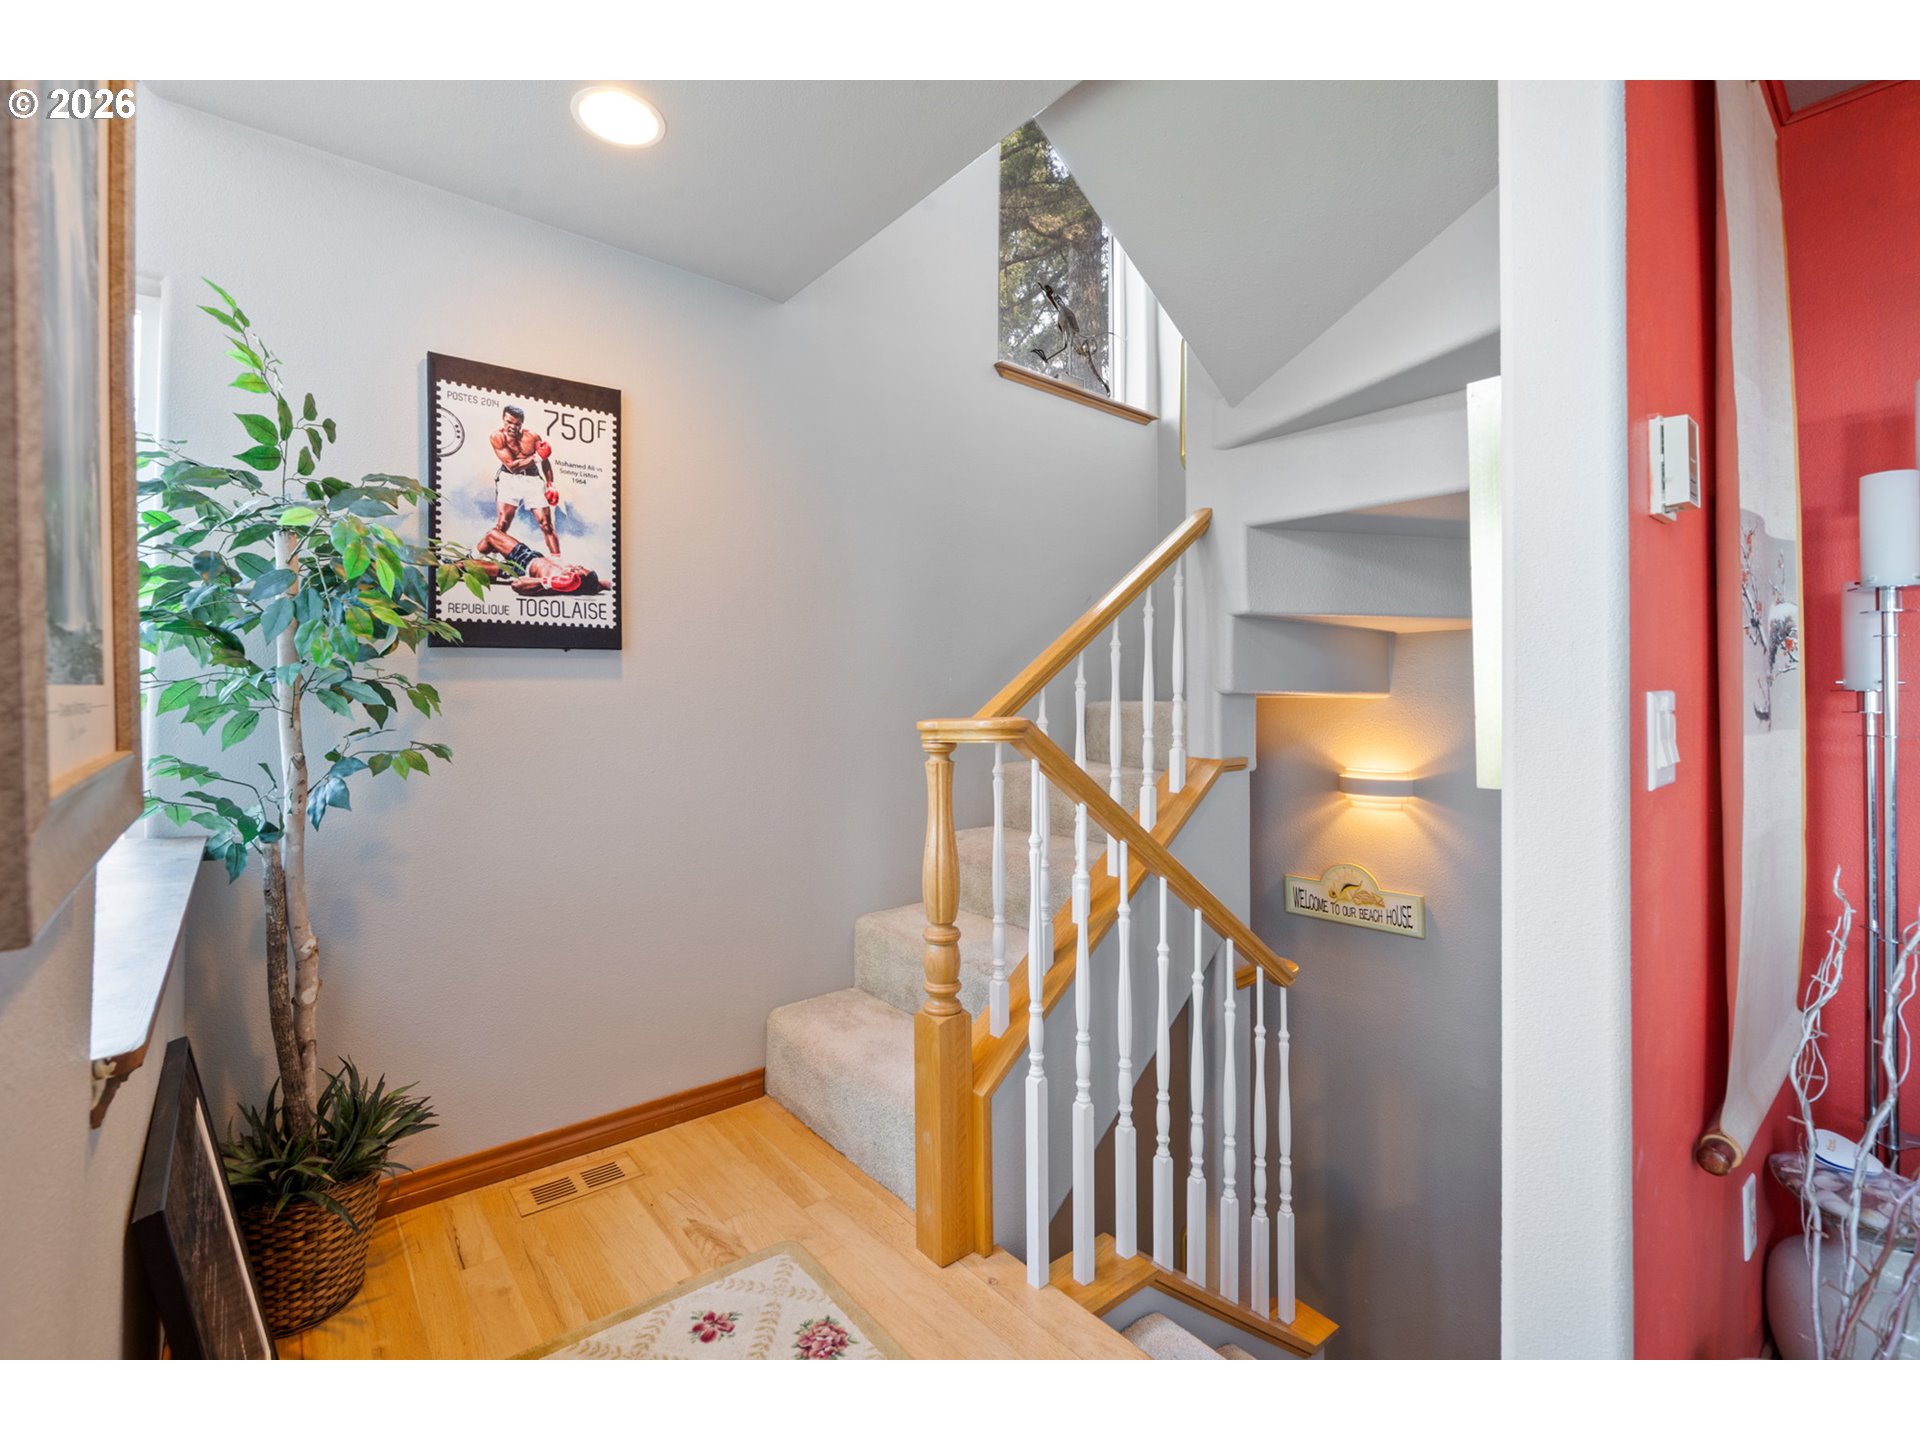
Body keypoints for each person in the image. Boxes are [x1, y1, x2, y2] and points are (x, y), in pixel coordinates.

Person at [489, 404, 562, 556]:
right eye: (509, 422)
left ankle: (558, 563)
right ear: (503, 419)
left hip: (533, 480)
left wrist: (550, 484)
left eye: (517, 424)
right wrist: (537, 457)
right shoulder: (497, 437)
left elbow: (545, 461)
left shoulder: (533, 437)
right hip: (509, 480)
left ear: (522, 424)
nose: (512, 427)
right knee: (503, 523)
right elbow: (511, 466)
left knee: (546, 524)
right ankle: (492, 560)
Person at [471, 527, 609, 596]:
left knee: (464, 566)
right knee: (492, 534)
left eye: (578, 571)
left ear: (576, 583)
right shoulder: (591, 583)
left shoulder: (558, 584)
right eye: (580, 567)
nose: (576, 567)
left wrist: (552, 582)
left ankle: (465, 561)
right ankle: (470, 556)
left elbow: (517, 585)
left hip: (518, 570)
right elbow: (607, 584)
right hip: (529, 555)